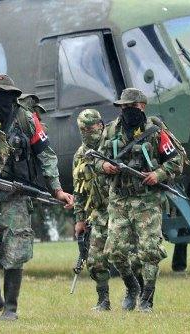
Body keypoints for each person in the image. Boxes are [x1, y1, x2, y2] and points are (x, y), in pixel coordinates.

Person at [0, 74, 73, 321]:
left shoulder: (27, 121)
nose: (1, 100)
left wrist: (57, 189)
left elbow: (46, 156)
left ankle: (11, 308)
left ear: (15, 96)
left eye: (6, 95)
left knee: (16, 252)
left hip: (17, 197)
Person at [95, 88, 184, 312]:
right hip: (119, 200)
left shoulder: (155, 131)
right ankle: (132, 287)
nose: (127, 110)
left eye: (131, 106)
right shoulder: (111, 130)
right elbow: (95, 161)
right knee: (114, 251)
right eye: (124, 107)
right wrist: (105, 166)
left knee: (150, 250)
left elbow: (176, 161)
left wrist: (158, 175)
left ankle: (147, 299)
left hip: (147, 200)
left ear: (142, 106)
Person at [72, 108, 113, 310]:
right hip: (98, 213)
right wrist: (80, 219)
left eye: (92, 127)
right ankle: (103, 299)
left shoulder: (113, 146)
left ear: (101, 124)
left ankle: (135, 290)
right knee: (95, 259)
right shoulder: (80, 156)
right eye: (84, 128)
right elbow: (78, 192)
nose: (88, 131)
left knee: (126, 255)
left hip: (121, 208)